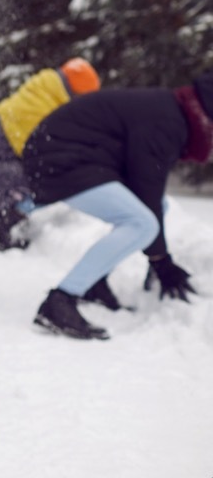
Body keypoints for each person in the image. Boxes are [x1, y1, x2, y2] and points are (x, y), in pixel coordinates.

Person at [21, 71, 210, 340]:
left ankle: (94, 283)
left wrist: (159, 258)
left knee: (154, 213)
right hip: (61, 158)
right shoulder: (168, 122)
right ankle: (60, 302)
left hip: (73, 156)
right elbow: (147, 188)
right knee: (141, 222)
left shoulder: (174, 112)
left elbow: (150, 193)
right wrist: (161, 261)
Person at [0, 58, 101, 251]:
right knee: (33, 188)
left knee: (7, 186)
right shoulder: (56, 107)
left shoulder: (46, 85)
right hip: (5, 144)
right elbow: (47, 150)